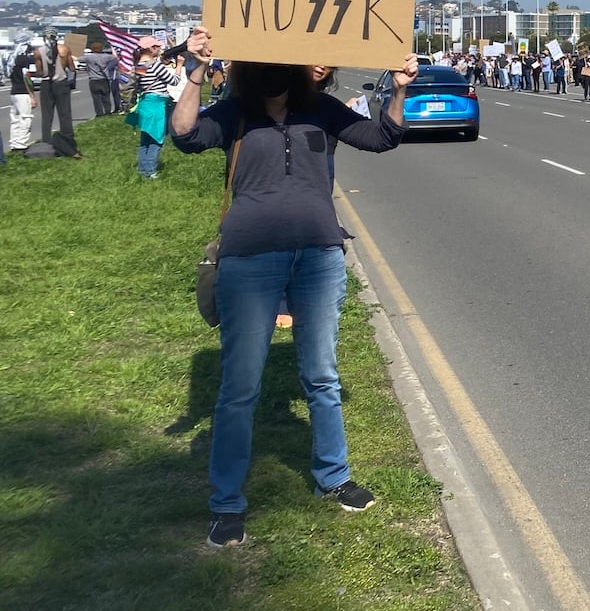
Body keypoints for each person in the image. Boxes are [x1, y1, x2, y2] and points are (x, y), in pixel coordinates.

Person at [170, 28, 418, 548]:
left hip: (319, 255)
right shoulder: (235, 112)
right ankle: (227, 503)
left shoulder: (322, 111)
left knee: (322, 376)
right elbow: (187, 136)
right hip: (249, 259)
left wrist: (398, 88)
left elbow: (382, 138)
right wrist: (194, 70)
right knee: (240, 388)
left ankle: (334, 475)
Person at [124, 37, 181, 179]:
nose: (159, 49)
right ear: (151, 49)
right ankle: (150, 171)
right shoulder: (155, 66)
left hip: (145, 103)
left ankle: (143, 169)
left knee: (145, 139)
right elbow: (174, 81)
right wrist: (179, 65)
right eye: (157, 47)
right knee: (156, 138)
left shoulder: (139, 66)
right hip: (156, 104)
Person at [32, 34, 80, 155]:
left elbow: (39, 72)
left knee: (47, 115)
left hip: (46, 84)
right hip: (61, 83)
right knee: (65, 113)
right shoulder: (64, 49)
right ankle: (67, 138)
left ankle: (46, 141)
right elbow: (72, 68)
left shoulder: (38, 52)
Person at [8, 40, 36, 151]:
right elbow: (26, 77)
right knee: (25, 118)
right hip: (23, 92)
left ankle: (14, 142)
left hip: (14, 91)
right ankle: (21, 144)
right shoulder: (23, 60)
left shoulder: (12, 59)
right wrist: (32, 95)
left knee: (15, 119)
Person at [81, 41, 119, 118]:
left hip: (93, 80)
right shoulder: (106, 57)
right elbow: (116, 58)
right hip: (104, 79)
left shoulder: (88, 57)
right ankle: (108, 112)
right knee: (106, 97)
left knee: (96, 98)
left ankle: (99, 113)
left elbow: (77, 59)